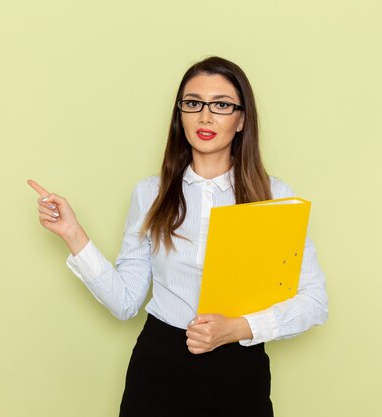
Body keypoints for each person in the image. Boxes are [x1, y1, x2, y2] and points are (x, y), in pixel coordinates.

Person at [27, 56, 328, 417]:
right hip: (159, 368)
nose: (205, 116)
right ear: (180, 115)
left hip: (239, 369)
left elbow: (314, 302)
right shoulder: (149, 194)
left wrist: (239, 328)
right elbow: (125, 302)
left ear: (242, 119)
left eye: (221, 105)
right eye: (193, 103)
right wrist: (73, 234)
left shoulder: (274, 196)